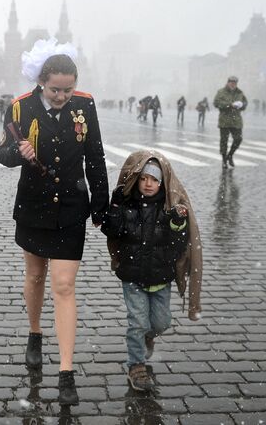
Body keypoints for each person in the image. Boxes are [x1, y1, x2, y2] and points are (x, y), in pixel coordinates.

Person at [0, 39, 109, 406]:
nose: (62, 96)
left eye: (68, 89)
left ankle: (65, 370)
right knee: (35, 276)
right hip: (34, 204)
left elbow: (95, 156)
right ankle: (34, 332)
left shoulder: (85, 105)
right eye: (55, 89)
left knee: (64, 286)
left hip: (72, 207)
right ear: (42, 82)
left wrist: (100, 203)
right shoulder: (20, 108)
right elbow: (2, 153)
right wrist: (17, 152)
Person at [101, 151, 202, 392]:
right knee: (137, 322)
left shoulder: (169, 209)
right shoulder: (128, 205)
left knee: (161, 322)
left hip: (160, 278)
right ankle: (136, 365)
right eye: (144, 178)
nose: (148, 184)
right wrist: (115, 206)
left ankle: (149, 336)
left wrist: (178, 223)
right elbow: (111, 231)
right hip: (133, 276)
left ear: (162, 183)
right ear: (136, 179)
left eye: (154, 180)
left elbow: (178, 244)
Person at [213, 76, 248, 169]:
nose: (233, 84)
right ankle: (224, 160)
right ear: (228, 83)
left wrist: (242, 105)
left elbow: (245, 103)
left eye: (235, 83)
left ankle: (230, 155)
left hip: (236, 120)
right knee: (224, 141)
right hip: (224, 120)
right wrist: (229, 105)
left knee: (238, 139)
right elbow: (216, 103)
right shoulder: (221, 92)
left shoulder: (240, 93)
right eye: (231, 82)